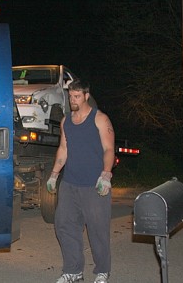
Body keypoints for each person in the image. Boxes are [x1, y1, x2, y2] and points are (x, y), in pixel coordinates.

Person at [47, 80, 115, 283]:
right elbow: (63, 149)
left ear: (86, 96)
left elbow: (109, 149)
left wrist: (106, 175)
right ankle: (73, 270)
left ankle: (102, 271)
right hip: (69, 184)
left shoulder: (100, 119)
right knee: (64, 226)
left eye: (76, 96)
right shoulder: (66, 121)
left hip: (94, 185)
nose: (72, 100)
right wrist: (54, 174)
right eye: (70, 96)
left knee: (97, 230)